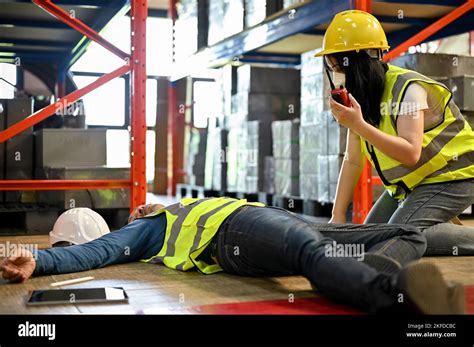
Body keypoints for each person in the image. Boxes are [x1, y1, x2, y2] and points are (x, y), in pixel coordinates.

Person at [0, 197, 464, 314]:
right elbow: (96, 253)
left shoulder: (163, 211)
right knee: (310, 252)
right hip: (238, 233)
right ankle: (390, 295)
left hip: (272, 219)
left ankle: (377, 265)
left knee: (402, 230)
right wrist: (42, 262)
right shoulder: (142, 229)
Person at [317, 10, 474, 255]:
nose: (335, 73)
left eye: (336, 64)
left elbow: (411, 153)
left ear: (354, 62)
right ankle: (427, 221)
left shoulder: (409, 89)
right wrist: (337, 216)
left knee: (398, 237)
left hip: (456, 177)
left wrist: (358, 124)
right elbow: (352, 159)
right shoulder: (365, 97)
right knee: (372, 238)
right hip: (413, 184)